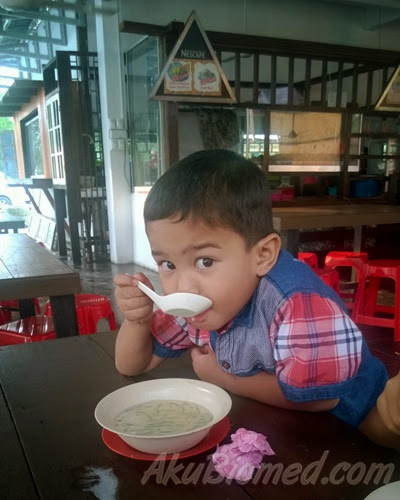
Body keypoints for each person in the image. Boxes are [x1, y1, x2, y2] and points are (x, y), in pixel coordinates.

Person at [114, 149, 400, 449]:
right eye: (168, 265)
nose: (183, 286)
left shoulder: (295, 301)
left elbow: (320, 401)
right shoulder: (193, 301)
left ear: (262, 255)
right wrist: (138, 320)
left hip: (365, 430)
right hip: (288, 436)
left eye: (205, 261)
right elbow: (132, 365)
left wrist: (221, 376)